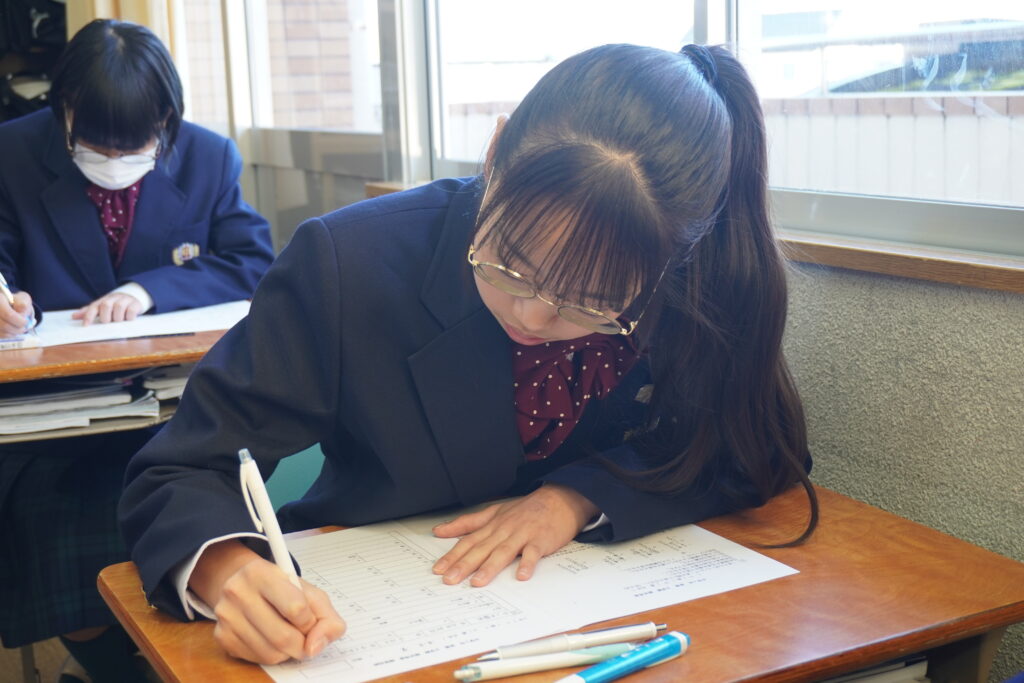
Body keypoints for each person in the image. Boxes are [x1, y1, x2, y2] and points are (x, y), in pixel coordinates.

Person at [120, 43, 818, 666]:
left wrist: (578, 497)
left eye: (591, 302)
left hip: (604, 624)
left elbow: (756, 449)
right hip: (374, 617)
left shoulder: (698, 279)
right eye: (510, 265)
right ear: (495, 153)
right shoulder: (350, 263)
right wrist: (229, 573)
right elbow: (181, 468)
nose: (533, 317)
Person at [0, 19, 274, 681]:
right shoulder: (12, 153)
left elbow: (252, 260)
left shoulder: (208, 156)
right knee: (58, 539)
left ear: (166, 120)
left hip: (177, 415)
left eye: (136, 145)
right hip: (53, 427)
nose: (116, 161)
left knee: (207, 517)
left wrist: (150, 290)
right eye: (97, 145)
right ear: (64, 109)